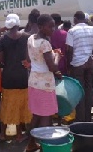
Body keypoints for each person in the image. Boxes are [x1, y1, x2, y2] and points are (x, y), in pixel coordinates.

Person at [25, 14, 62, 152]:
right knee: (46, 116)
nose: (53, 29)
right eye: (50, 26)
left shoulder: (31, 38)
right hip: (45, 84)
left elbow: (29, 58)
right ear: (41, 27)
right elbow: (53, 67)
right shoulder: (45, 43)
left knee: (37, 115)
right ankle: (45, 148)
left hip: (34, 81)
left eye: (54, 26)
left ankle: (31, 144)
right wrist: (57, 56)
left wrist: (50, 53)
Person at [0, 14, 32, 143]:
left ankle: (3, 133)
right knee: (21, 105)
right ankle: (19, 135)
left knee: (7, 104)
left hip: (8, 76)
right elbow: (30, 56)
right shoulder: (27, 37)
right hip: (22, 76)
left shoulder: (2, 39)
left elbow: (1, 59)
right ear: (17, 24)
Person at [66, 11, 93, 122]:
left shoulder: (72, 31)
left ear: (75, 19)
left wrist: (69, 66)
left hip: (77, 65)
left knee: (79, 91)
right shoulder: (92, 29)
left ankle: (80, 119)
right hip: (89, 63)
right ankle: (87, 118)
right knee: (88, 90)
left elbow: (69, 51)